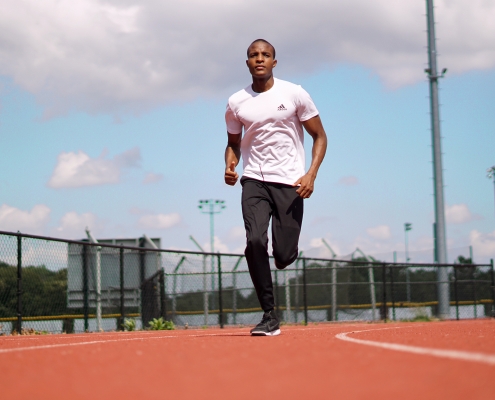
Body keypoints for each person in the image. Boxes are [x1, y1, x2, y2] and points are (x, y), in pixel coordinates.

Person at [224, 39, 327, 336]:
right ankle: (269, 315)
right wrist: (230, 166)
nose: (259, 59)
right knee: (255, 241)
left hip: (290, 183)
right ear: (247, 63)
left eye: (265, 55)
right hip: (254, 179)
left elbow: (320, 136)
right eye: (254, 55)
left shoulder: (294, 93)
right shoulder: (235, 102)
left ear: (274, 62)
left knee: (282, 255)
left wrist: (311, 175)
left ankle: (286, 253)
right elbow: (233, 144)